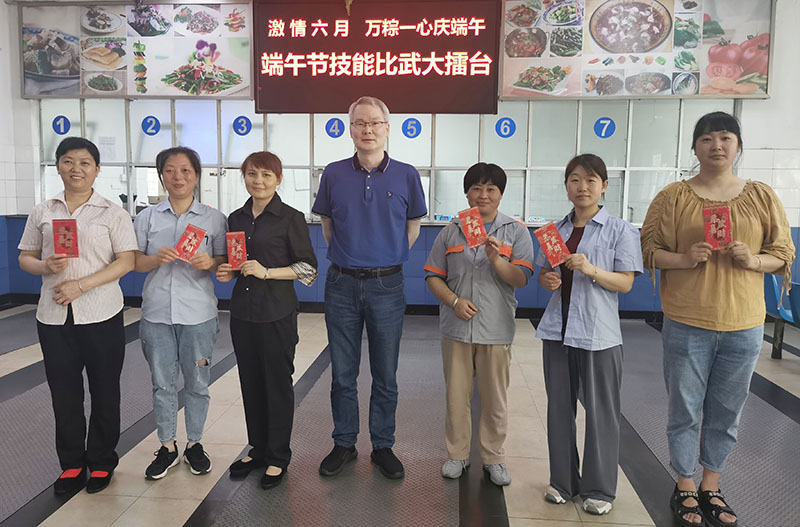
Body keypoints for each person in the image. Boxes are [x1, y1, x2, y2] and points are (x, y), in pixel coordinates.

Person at [641, 112, 794, 527]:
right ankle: (685, 484)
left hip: (744, 324)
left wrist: (754, 260)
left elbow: (782, 252)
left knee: (727, 410)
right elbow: (650, 250)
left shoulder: (761, 196)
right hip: (687, 321)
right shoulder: (673, 197)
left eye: (726, 137)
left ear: (738, 145)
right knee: (685, 408)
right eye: (707, 139)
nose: (717, 146)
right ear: (695, 147)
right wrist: (684, 258)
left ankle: (712, 484)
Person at [312, 96, 427, 479]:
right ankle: (344, 443)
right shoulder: (333, 174)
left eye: (375, 123)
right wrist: (351, 257)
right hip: (341, 283)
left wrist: (387, 257)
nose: (368, 130)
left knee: (385, 374)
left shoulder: (406, 175)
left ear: (387, 128)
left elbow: (413, 226)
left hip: (387, 285)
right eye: (360, 123)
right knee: (342, 373)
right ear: (350, 129)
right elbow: (327, 224)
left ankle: (382, 446)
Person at [18, 137, 137, 494]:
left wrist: (81, 285)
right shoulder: (43, 211)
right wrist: (43, 266)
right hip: (54, 317)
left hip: (101, 314)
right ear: (58, 166)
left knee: (104, 390)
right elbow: (25, 257)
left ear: (97, 169)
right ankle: (71, 464)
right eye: (68, 161)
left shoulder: (112, 213)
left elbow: (126, 262)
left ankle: (101, 461)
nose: (76, 169)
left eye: (85, 163)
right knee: (64, 393)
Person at [536, 154, 643, 515]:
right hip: (558, 331)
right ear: (566, 185)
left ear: (604, 186)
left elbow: (625, 283)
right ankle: (563, 481)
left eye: (591, 180)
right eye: (575, 180)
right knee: (558, 409)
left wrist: (591, 268)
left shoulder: (620, 230)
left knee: (601, 413)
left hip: (599, 334)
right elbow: (544, 273)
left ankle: (599, 489)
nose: (582, 187)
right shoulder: (555, 231)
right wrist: (548, 279)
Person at [424, 163, 534, 486]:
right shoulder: (451, 231)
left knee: (494, 398)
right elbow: (433, 275)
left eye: (491, 189)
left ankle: (494, 457)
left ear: (500, 194)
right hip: (456, 329)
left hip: (496, 328)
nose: (483, 195)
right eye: (476, 188)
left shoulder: (515, 231)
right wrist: (454, 301)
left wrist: (497, 259)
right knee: (456, 396)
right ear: (467, 193)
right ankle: (457, 455)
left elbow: (522, 278)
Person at [217, 151, 317, 489]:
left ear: (278, 179)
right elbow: (238, 262)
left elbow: (308, 269)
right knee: (251, 382)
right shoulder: (236, 217)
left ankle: (277, 456)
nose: (258, 181)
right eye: (251, 174)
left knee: (276, 384)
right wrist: (228, 272)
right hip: (243, 313)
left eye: (265, 175)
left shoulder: (290, 218)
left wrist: (267, 271)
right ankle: (258, 449)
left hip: (277, 312)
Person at [133, 147, 227, 480]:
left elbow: (224, 263)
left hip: (198, 314)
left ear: (196, 176)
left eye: (185, 170)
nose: (178, 177)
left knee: (198, 382)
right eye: (170, 170)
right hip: (157, 313)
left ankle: (195, 443)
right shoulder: (147, 217)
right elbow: (135, 263)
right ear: (162, 176)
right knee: (162, 383)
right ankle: (167, 445)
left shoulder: (214, 218)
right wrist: (154, 258)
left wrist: (211, 262)